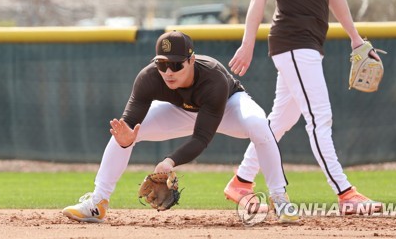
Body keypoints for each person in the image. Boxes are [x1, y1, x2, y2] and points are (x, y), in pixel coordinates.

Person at [223, 0, 384, 215]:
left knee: (280, 120)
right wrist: (247, 43)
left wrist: (356, 38)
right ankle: (345, 193)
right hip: (292, 41)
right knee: (319, 116)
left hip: (312, 42)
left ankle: (241, 180)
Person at [62, 30, 299, 224]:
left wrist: (169, 162)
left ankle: (279, 197)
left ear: (191, 60)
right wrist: (125, 139)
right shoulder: (148, 78)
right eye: (162, 64)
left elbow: (202, 137)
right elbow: (130, 125)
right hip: (181, 111)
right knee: (122, 132)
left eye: (176, 65)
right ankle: (98, 203)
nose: (168, 72)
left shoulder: (212, 78)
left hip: (226, 107)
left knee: (259, 124)